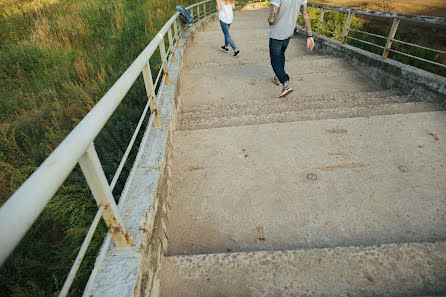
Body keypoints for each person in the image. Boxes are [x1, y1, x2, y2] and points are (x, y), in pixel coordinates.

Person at [268, 0, 314, 97]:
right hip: (289, 32)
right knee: (281, 54)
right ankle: (278, 78)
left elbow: (271, 19)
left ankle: (285, 83)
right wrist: (309, 35)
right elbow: (305, 15)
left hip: (277, 33)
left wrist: (271, 20)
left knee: (275, 61)